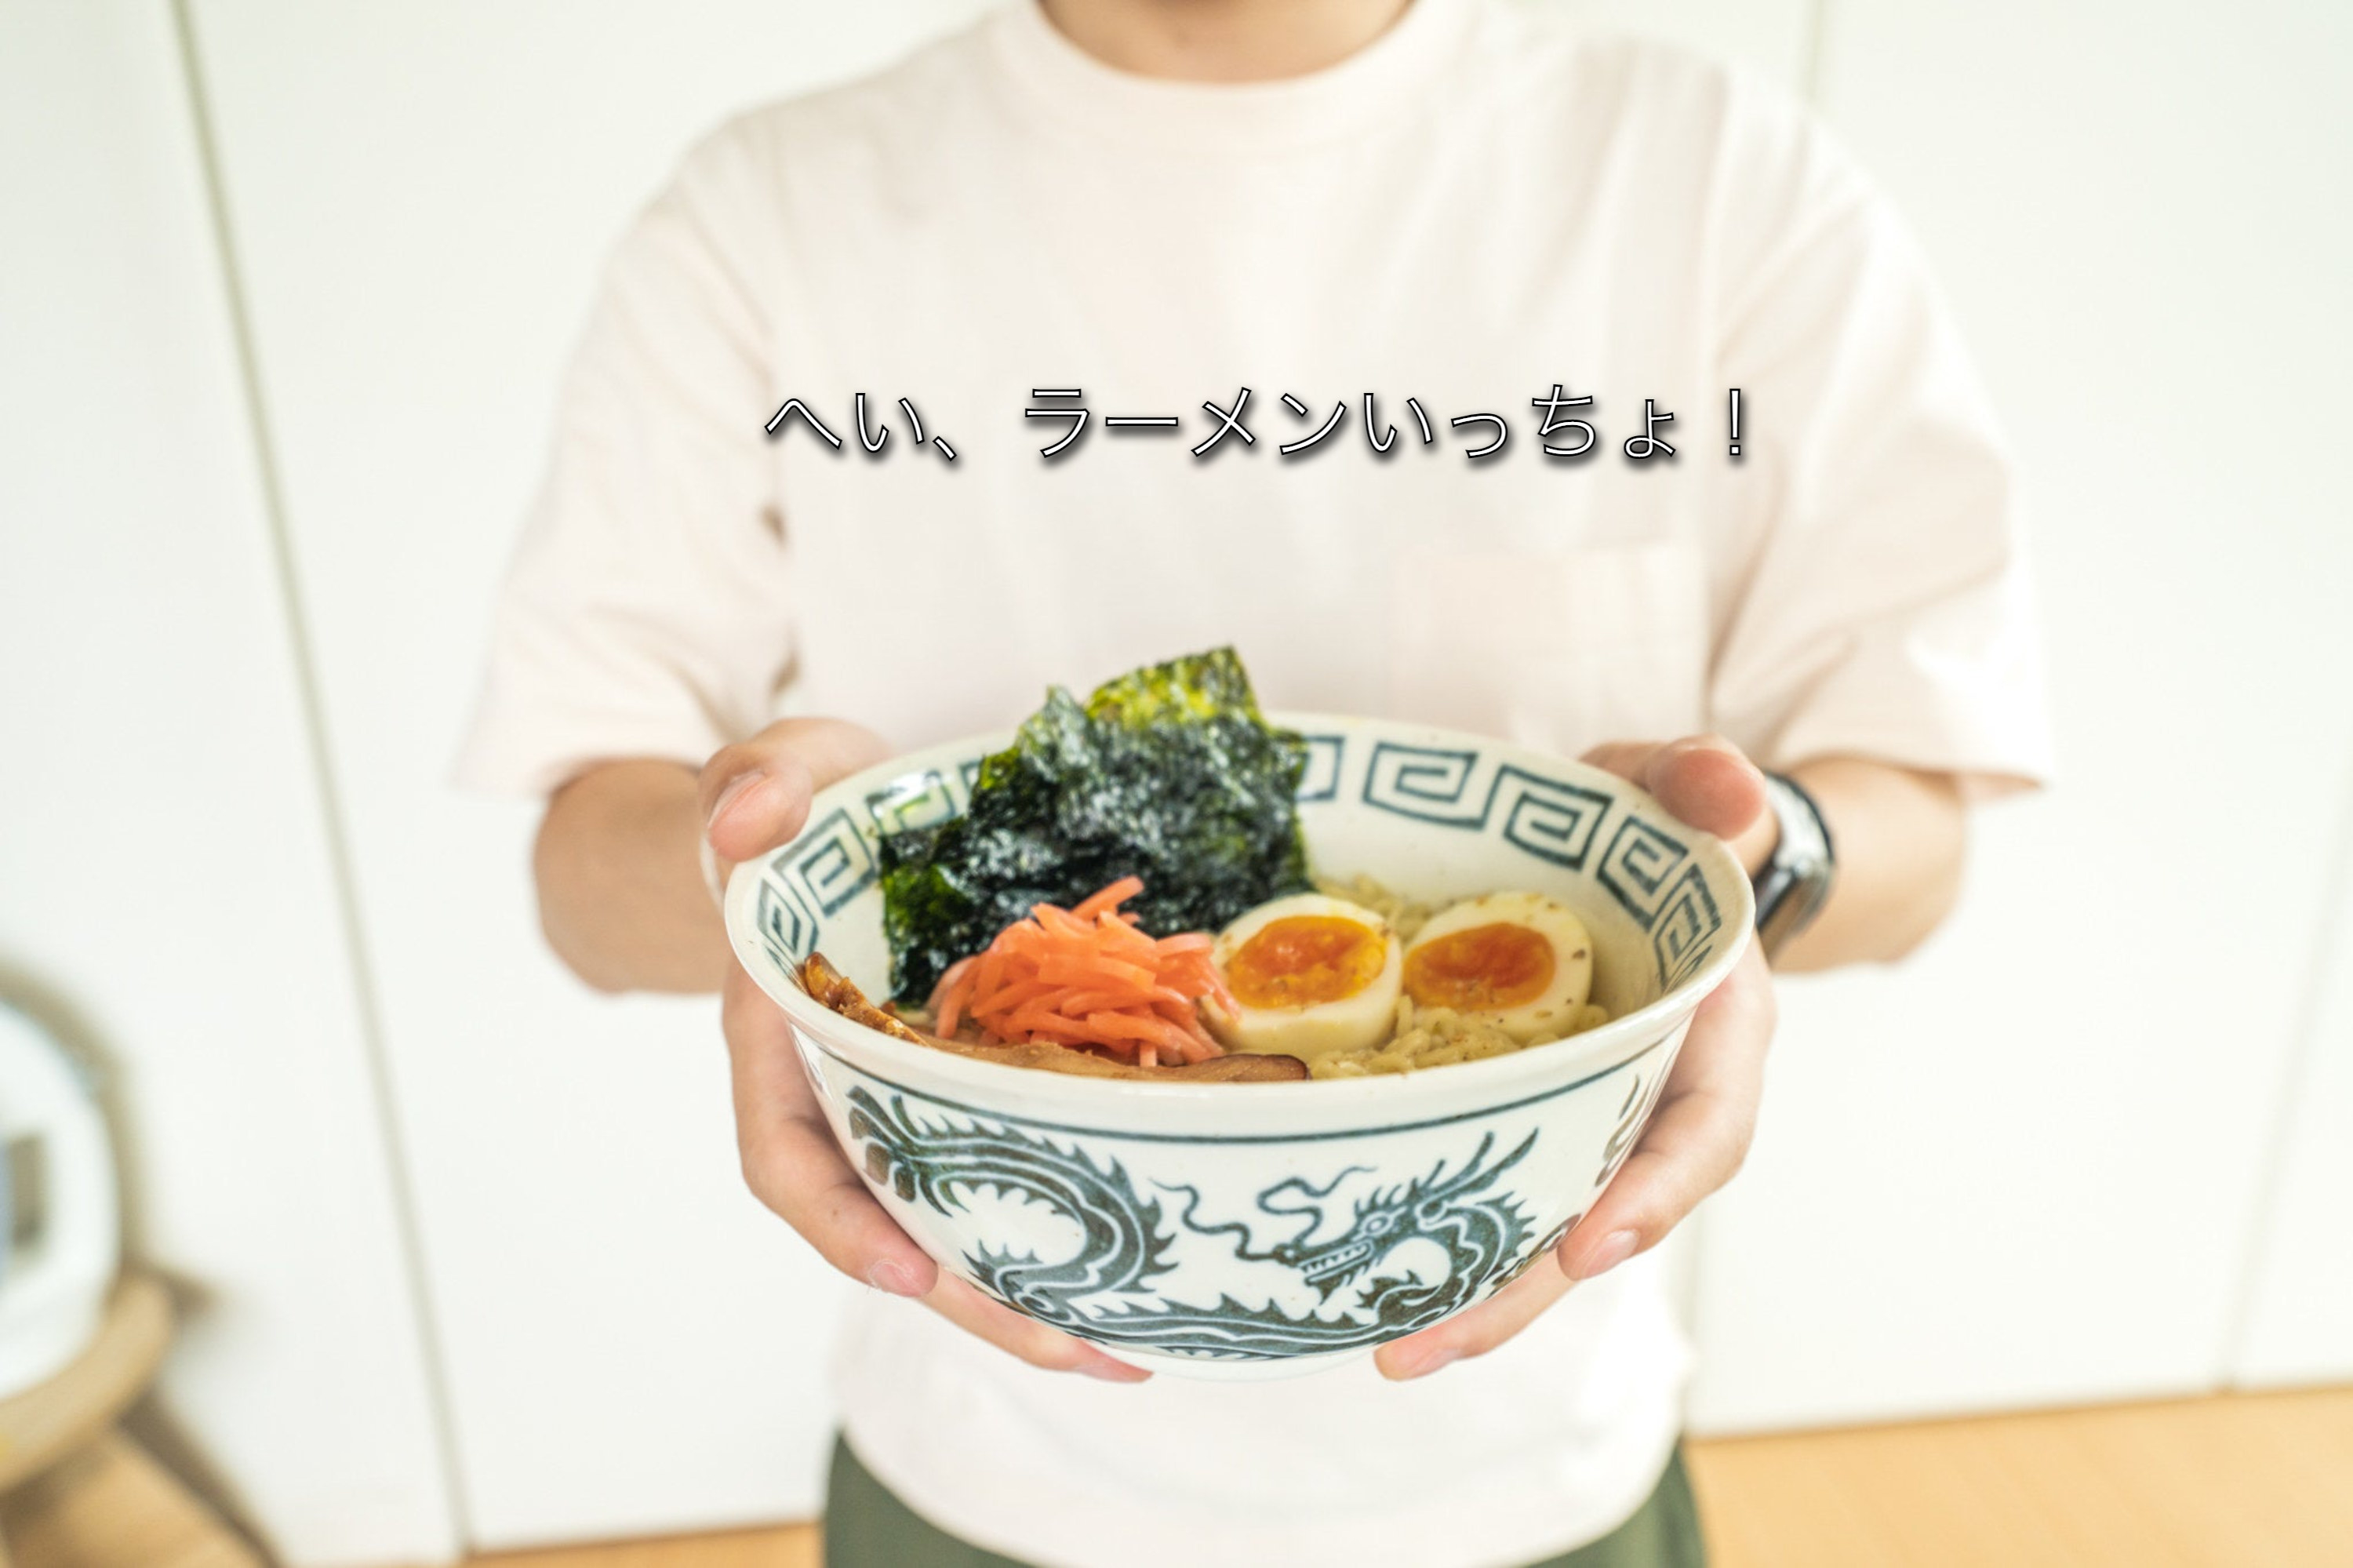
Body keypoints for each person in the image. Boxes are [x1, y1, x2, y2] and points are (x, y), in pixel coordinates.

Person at [457, 0, 2052, 1563]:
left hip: (1535, 1463)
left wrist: (1765, 868)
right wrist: (757, 867)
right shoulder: (769, 209)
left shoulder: (1718, 175)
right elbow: (584, 879)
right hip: (982, 1462)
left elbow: (1915, 830)